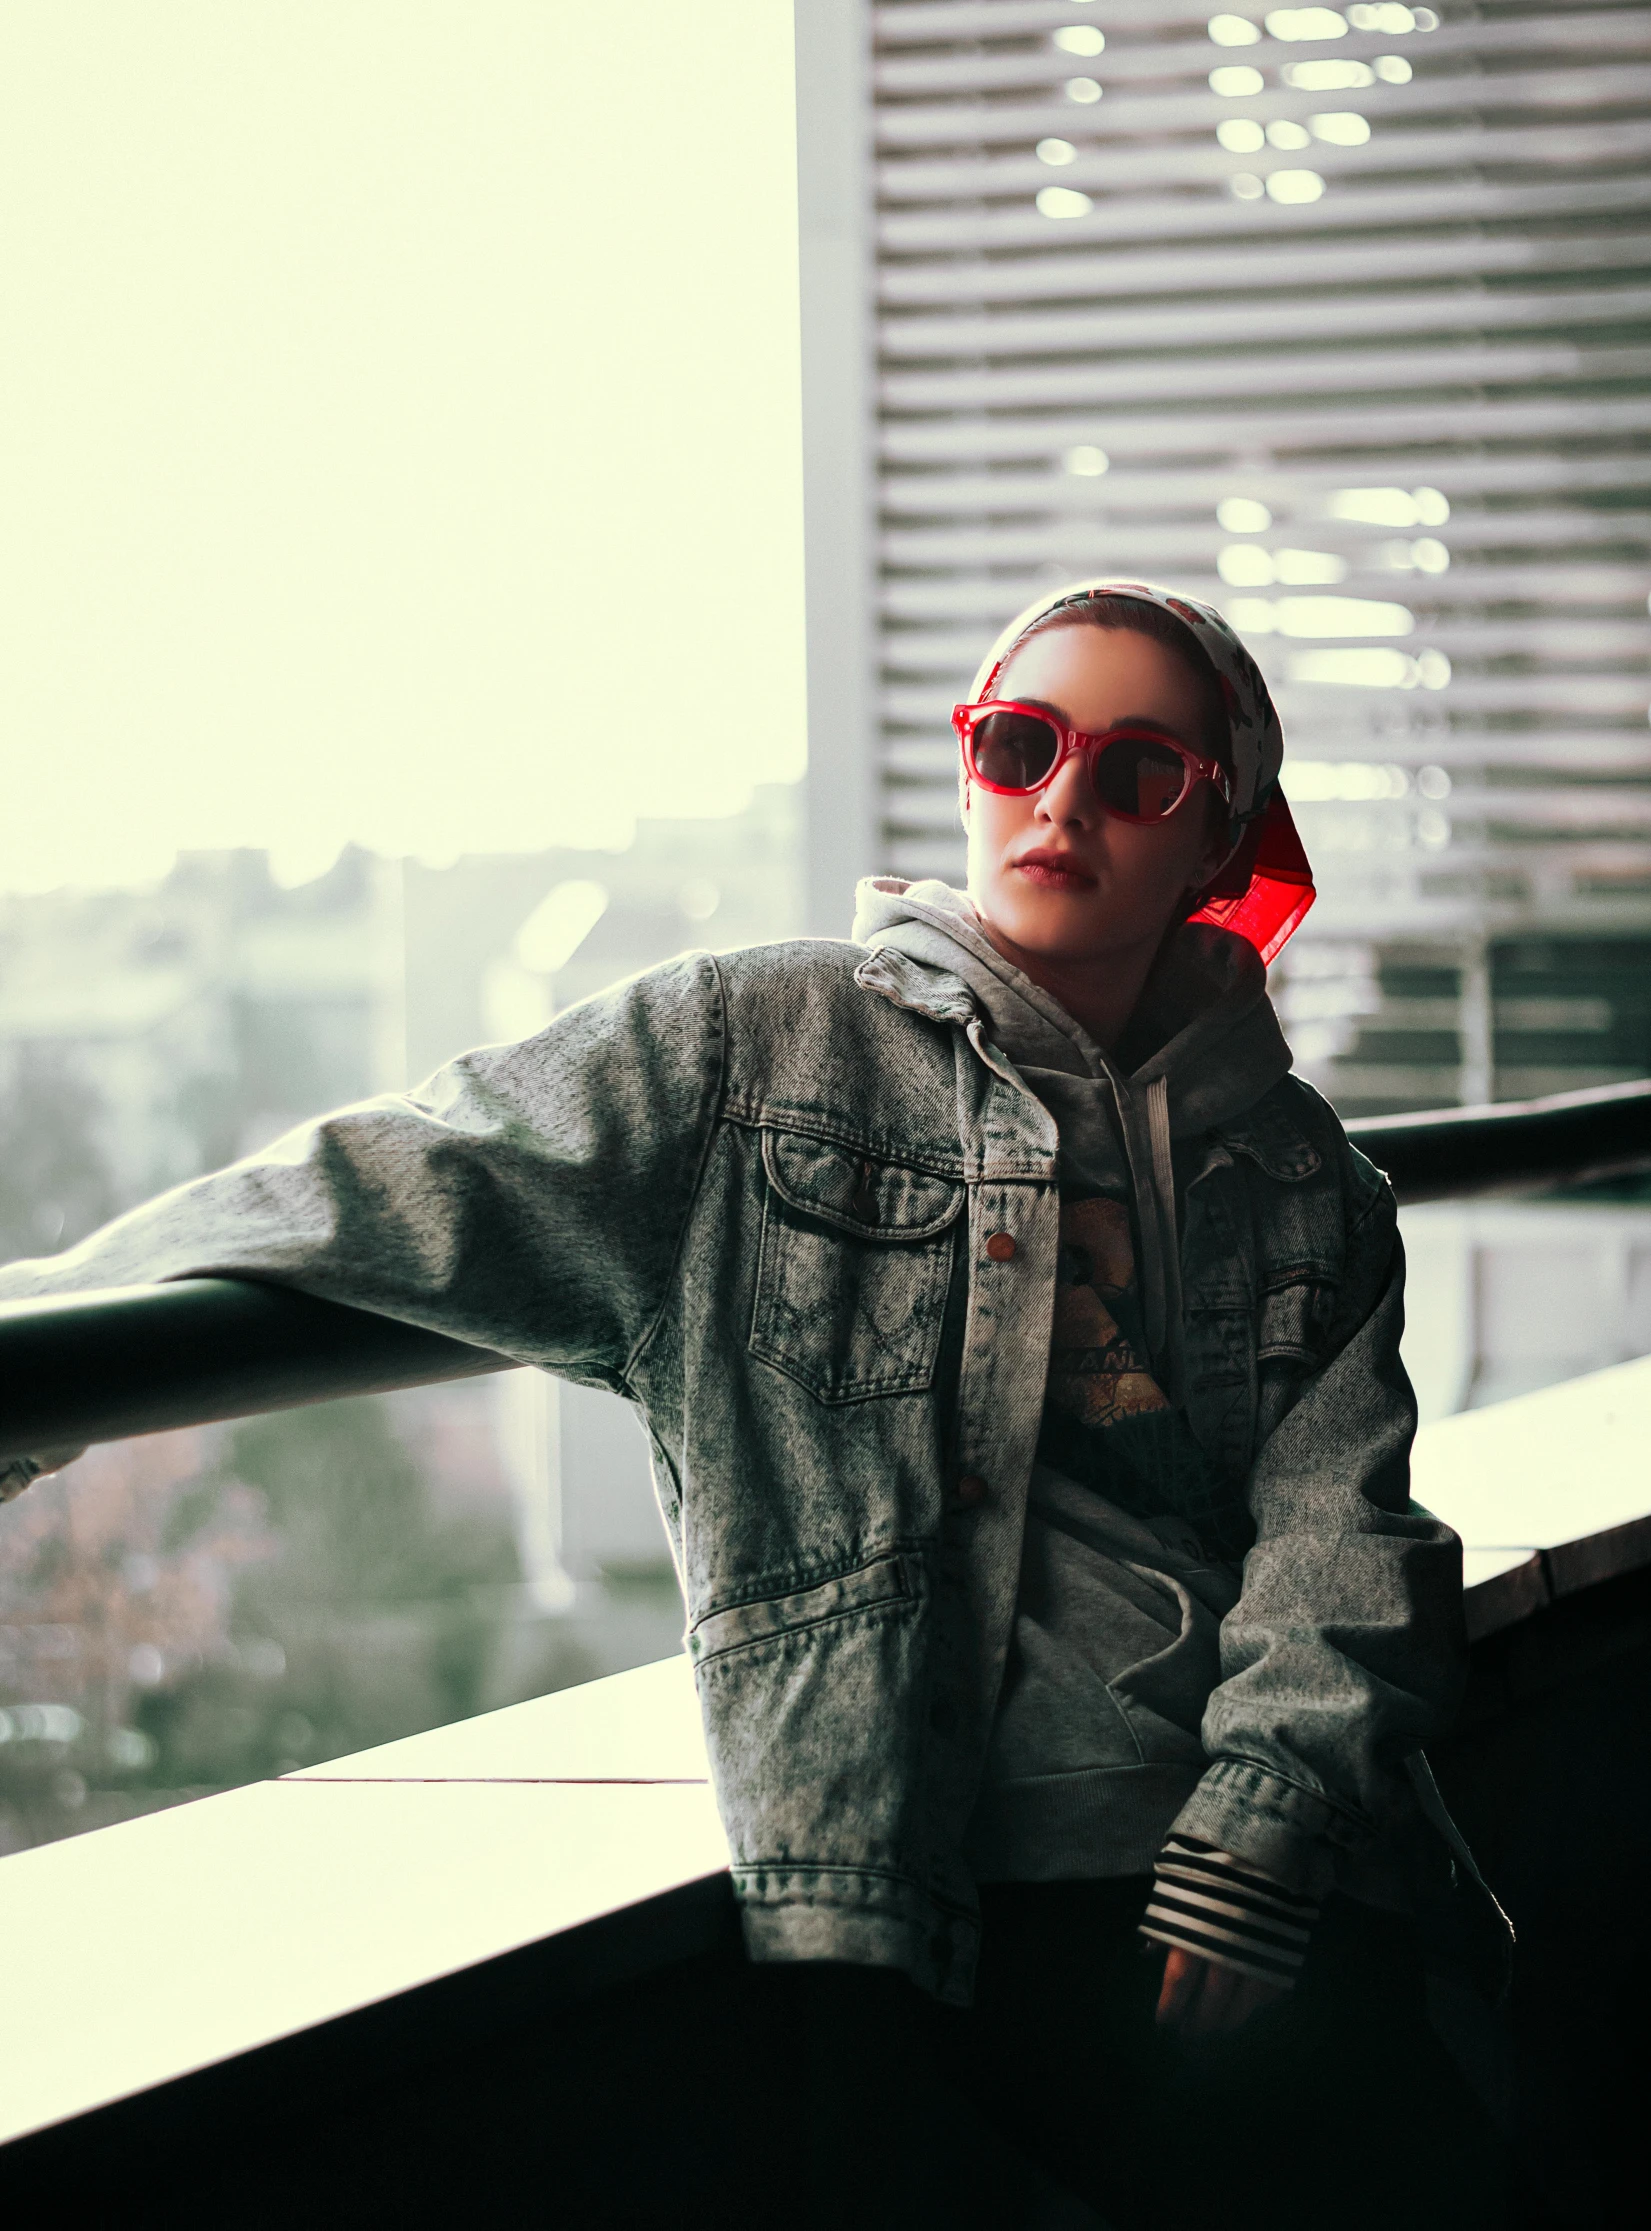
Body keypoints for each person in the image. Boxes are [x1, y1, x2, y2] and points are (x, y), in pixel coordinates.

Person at [0, 582, 1511, 2227]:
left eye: (1137, 771)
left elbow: (1346, 1525)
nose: (1058, 800)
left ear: (1220, 831)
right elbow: (394, 1182)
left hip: (1276, 1868)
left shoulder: (1301, 1171)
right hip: (940, 1880)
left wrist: (1267, 1822)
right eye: (1016, 744)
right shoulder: (759, 1044)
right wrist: (44, 1353)